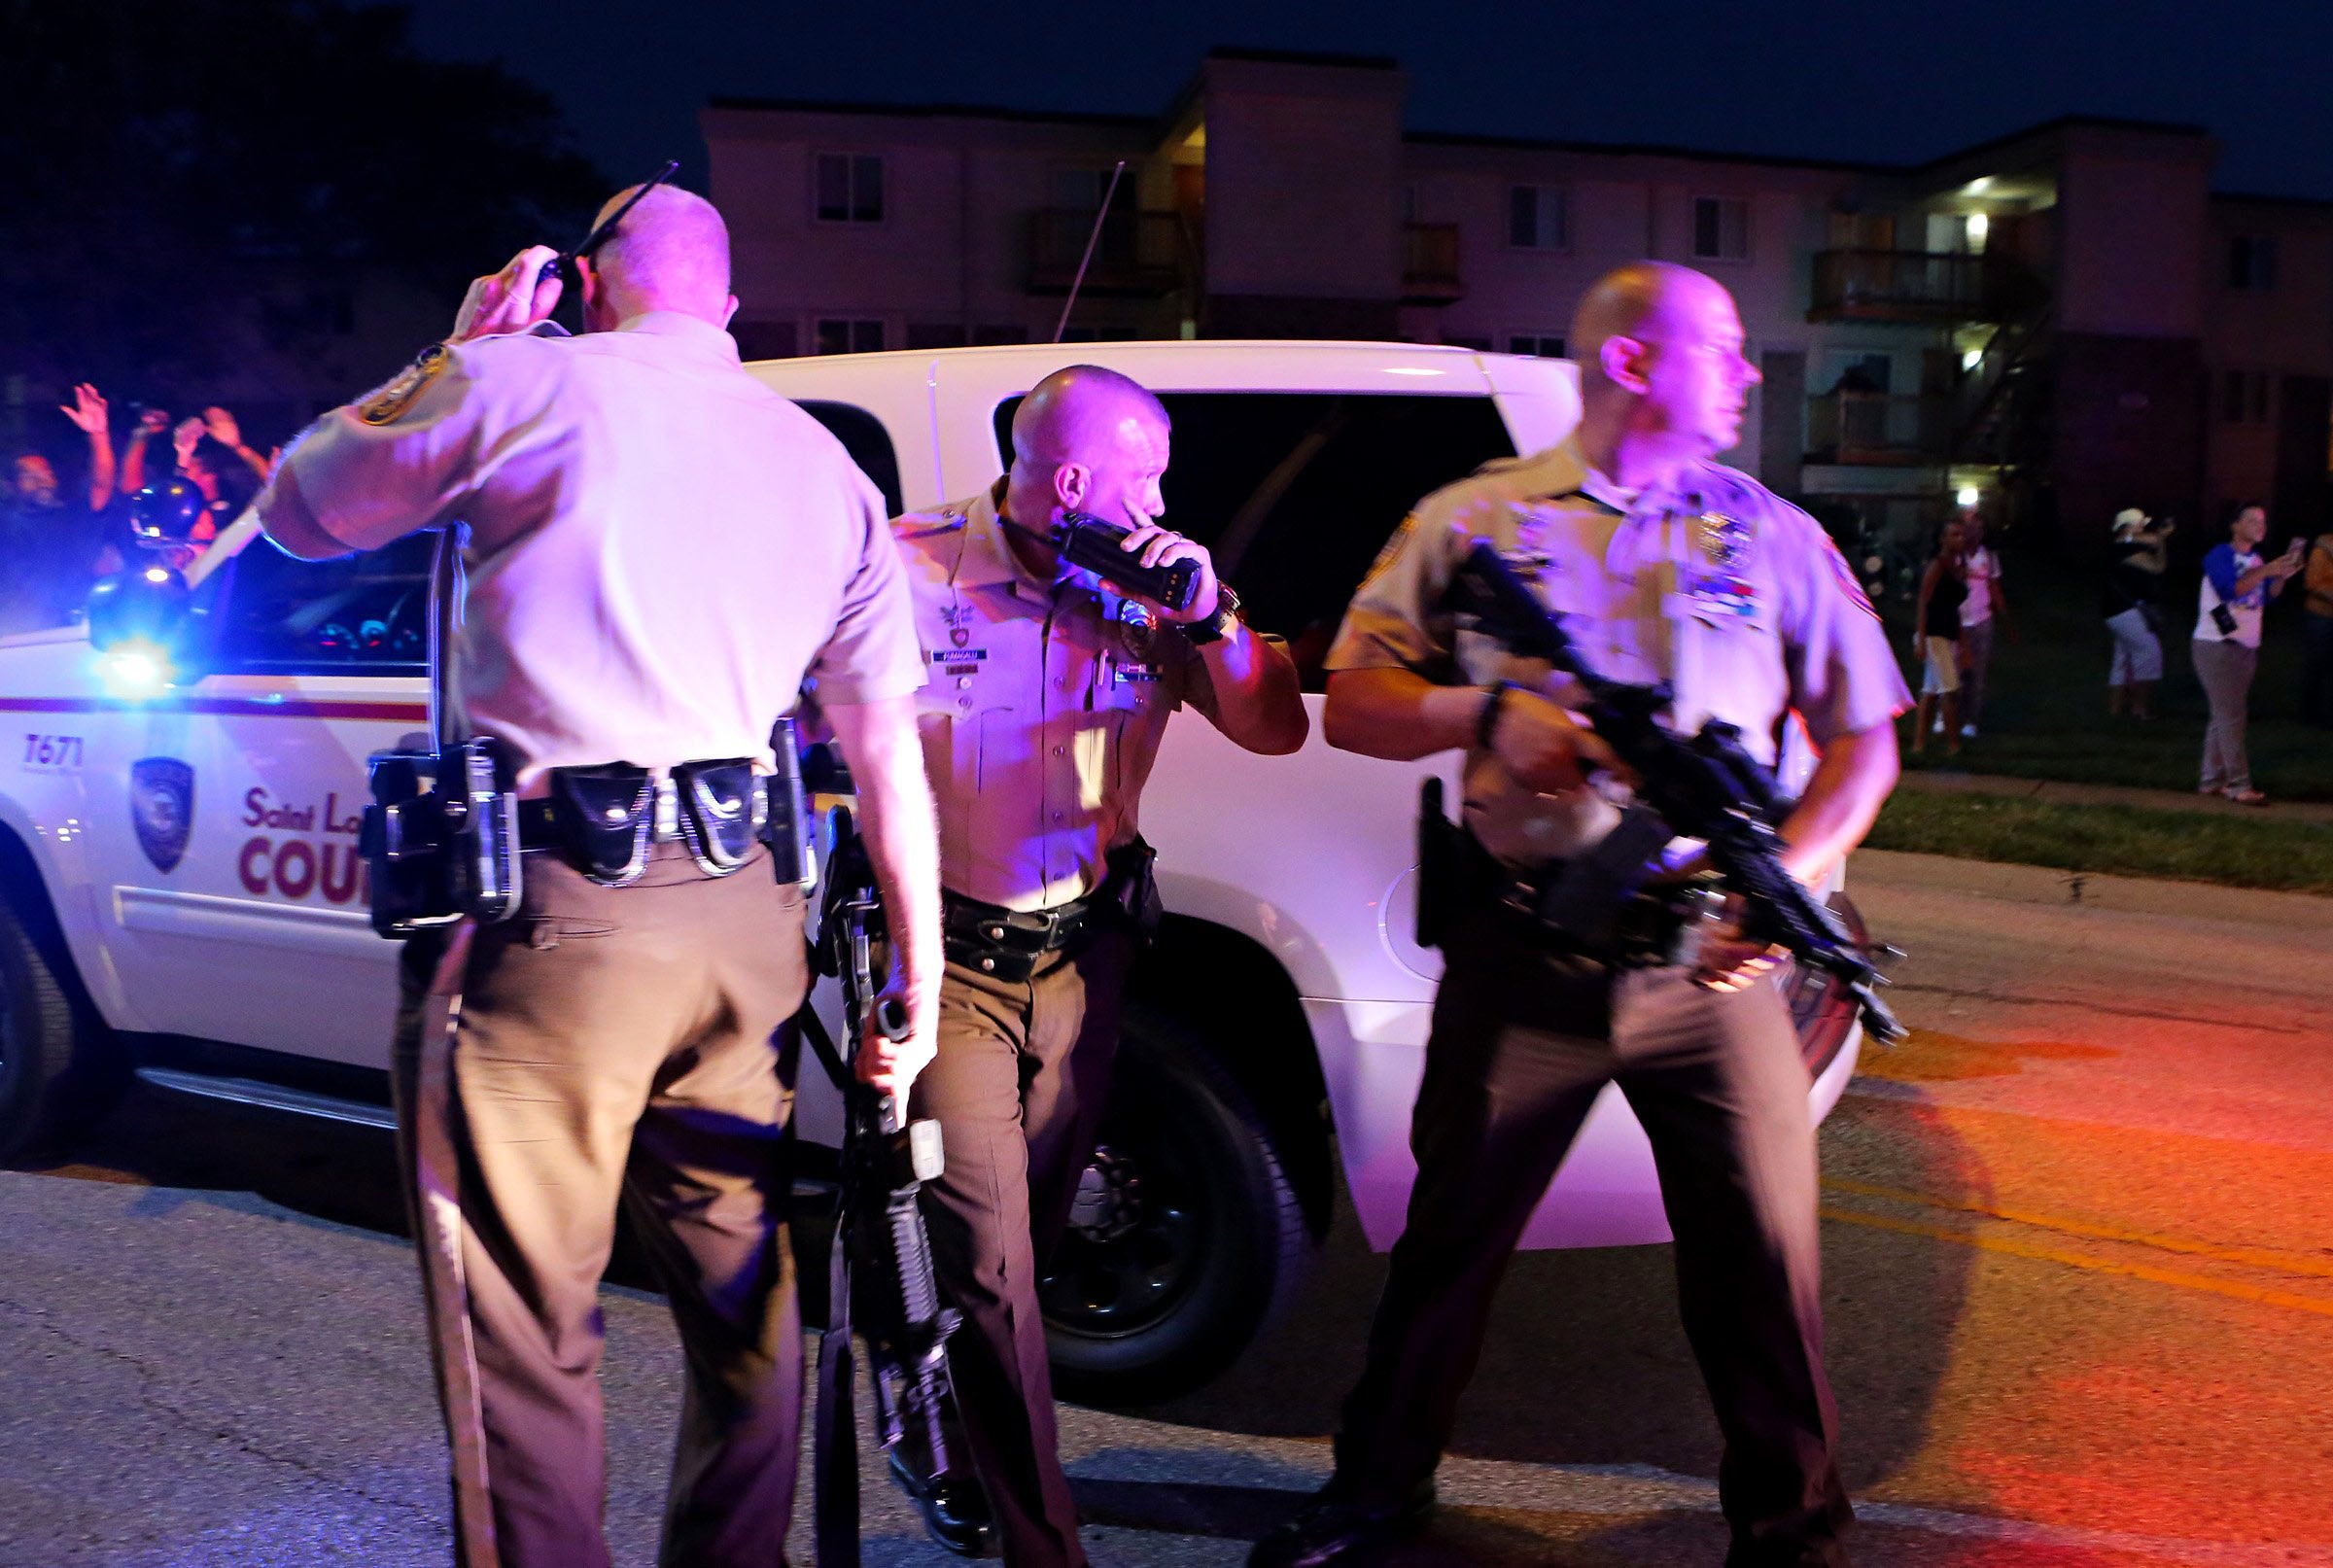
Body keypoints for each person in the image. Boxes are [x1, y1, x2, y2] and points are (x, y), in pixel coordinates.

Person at [252, 183, 944, 1568]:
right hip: (748, 920)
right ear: (729, 308)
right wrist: (917, 972)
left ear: (582, 278)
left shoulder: (517, 378)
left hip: (558, 920)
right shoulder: (825, 465)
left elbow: (299, 513)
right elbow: (885, 754)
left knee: (524, 1330)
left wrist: (449, 354)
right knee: (746, 1304)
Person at [1252, 262, 1905, 1568]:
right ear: (1632, 364)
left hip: (1713, 964)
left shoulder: (1770, 534)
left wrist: (1791, 883)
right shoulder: (1474, 522)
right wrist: (1489, 713)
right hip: (1525, 950)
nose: (1752, 370)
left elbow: (1867, 741)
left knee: (1763, 1271)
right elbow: (1358, 699)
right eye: (1723, 346)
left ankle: (1794, 1532)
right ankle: (1375, 1492)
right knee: (1450, 1249)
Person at [887, 365, 1307, 1565]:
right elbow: (805, 715)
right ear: (1072, 480)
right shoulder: (907, 566)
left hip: (1086, 964)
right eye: (1148, 474)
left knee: (1040, 1225)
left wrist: (1215, 618)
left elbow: (1272, 723)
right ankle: (1039, 1537)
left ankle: (941, 1405)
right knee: (994, 1254)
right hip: (953, 967)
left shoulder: (1157, 590)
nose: (1166, 495)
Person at [2192, 505, 2304, 805]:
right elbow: (2231, 590)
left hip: (2245, 646)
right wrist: (2267, 570)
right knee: (2232, 716)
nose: (2259, 525)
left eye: (2263, 521)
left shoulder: (2255, 558)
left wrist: (2282, 576)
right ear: (2234, 525)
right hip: (2216, 645)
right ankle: (2239, 785)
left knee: (2223, 715)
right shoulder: (2220, 555)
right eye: (2252, 520)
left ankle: (2211, 780)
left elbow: (2267, 595)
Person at [2103, 507, 2173, 719]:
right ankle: (2139, 708)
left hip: (2117, 610)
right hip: (2125, 610)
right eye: (2140, 524)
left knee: (2122, 660)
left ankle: (2115, 710)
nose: (2144, 528)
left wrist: (2159, 539)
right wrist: (2161, 537)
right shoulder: (2124, 548)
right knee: (2150, 653)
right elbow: (2158, 566)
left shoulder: (2124, 547)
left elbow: (2157, 562)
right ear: (2130, 526)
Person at [1910, 512, 1969, 757]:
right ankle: (1954, 744)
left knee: (1931, 691)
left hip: (1946, 633)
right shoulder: (1937, 565)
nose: (1960, 538)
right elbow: (1923, 601)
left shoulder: (1956, 566)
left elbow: (1954, 605)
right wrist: (1921, 638)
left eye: (1961, 534)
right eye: (1954, 534)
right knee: (1950, 689)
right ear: (1943, 539)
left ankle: (1919, 744)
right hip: (1934, 635)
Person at [1956, 505, 2009, 737]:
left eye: (1978, 528)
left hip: (1982, 620)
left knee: (1977, 674)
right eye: (1968, 528)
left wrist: (2005, 618)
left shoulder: (1989, 557)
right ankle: (1948, 715)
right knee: (1955, 671)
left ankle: (1972, 720)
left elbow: (1994, 588)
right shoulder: (1954, 556)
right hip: (1957, 622)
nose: (1973, 532)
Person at [2299, 526, 2333, 728]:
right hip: (2320, 616)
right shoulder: (2324, 547)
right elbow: (2311, 582)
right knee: (2317, 665)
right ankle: (2312, 715)